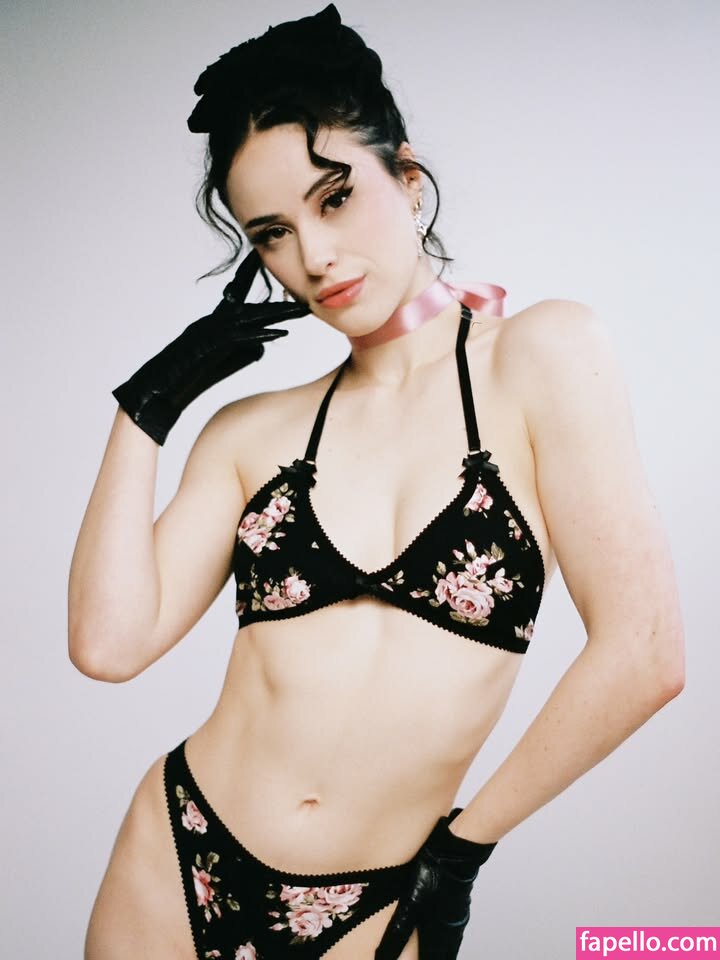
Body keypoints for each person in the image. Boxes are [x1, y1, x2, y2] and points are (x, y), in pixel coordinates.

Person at [68, 5, 685, 959]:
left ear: (407, 178)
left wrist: (466, 848)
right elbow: (109, 646)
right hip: (176, 858)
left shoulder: (541, 357)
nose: (313, 258)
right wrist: (144, 408)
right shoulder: (251, 433)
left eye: (335, 198)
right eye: (272, 233)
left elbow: (645, 653)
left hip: (377, 900)